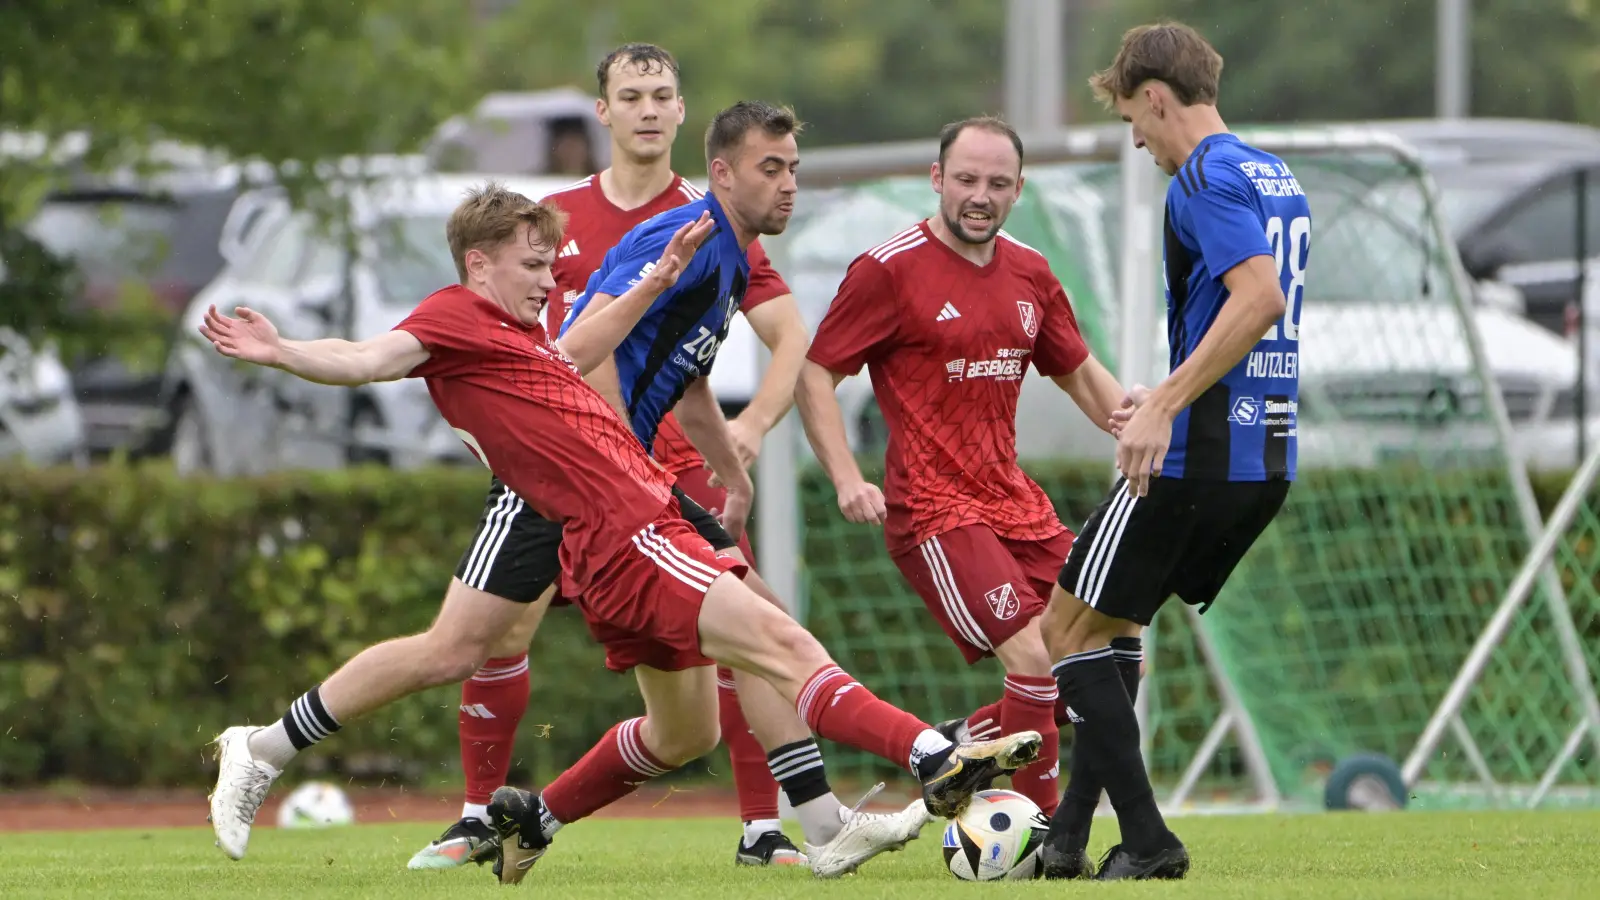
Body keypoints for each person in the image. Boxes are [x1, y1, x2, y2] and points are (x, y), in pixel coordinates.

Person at [201, 178, 1042, 883]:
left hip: (641, 516)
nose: (546, 280)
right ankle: (924, 760)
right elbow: (369, 357)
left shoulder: (521, 329)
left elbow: (574, 351)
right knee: (774, 640)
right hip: (619, 531)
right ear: (477, 262)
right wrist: (285, 352)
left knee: (686, 731)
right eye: (532, 266)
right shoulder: (455, 314)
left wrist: (647, 287)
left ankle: (530, 818)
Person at [418, 42, 816, 873]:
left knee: (741, 626)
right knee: (495, 629)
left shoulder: (717, 214)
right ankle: (475, 815)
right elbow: (494, 329)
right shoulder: (549, 219)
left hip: (664, 469)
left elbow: (786, 337)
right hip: (568, 469)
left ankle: (765, 824)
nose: (645, 107)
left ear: (679, 112)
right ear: (601, 112)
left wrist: (753, 431)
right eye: (628, 94)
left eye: (660, 94)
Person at [1036, 21, 1310, 881]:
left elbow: (1258, 297)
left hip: (1196, 454)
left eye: (1132, 122)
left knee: (1063, 629)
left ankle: (1150, 842)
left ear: (1157, 97)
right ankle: (1068, 845)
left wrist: (1162, 403)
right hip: (1263, 459)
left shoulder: (1203, 174)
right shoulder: (1274, 171)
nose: (1139, 141)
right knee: (1108, 630)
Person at [793, 116, 1128, 819]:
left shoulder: (1031, 272)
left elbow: (1083, 378)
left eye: (997, 184)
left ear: (1018, 190)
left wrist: (1145, 424)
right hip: (934, 508)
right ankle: (1040, 840)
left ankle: (960, 746)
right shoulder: (888, 270)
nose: (981, 195)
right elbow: (816, 372)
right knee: (1035, 660)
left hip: (1012, 500)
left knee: (1114, 653)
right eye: (967, 180)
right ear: (938, 179)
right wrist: (849, 477)